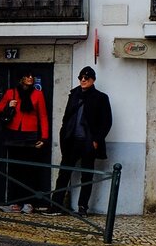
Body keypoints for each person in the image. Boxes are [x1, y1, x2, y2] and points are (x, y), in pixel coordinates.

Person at [47, 66, 112, 217]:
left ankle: (82, 207)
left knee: (87, 175)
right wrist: (63, 134)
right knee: (64, 173)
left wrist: (96, 140)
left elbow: (106, 122)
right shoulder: (74, 94)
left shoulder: (101, 98)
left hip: (88, 142)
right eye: (81, 77)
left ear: (93, 80)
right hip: (70, 141)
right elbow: (66, 116)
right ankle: (56, 206)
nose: (83, 80)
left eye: (86, 78)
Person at [0, 68, 50, 214]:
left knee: (29, 170)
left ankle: (29, 202)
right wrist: (8, 105)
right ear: (21, 78)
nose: (30, 78)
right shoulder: (11, 93)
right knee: (14, 170)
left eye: (32, 75)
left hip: (30, 135)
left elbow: (43, 116)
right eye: (27, 75)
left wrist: (44, 137)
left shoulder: (38, 94)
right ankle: (15, 203)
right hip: (13, 134)